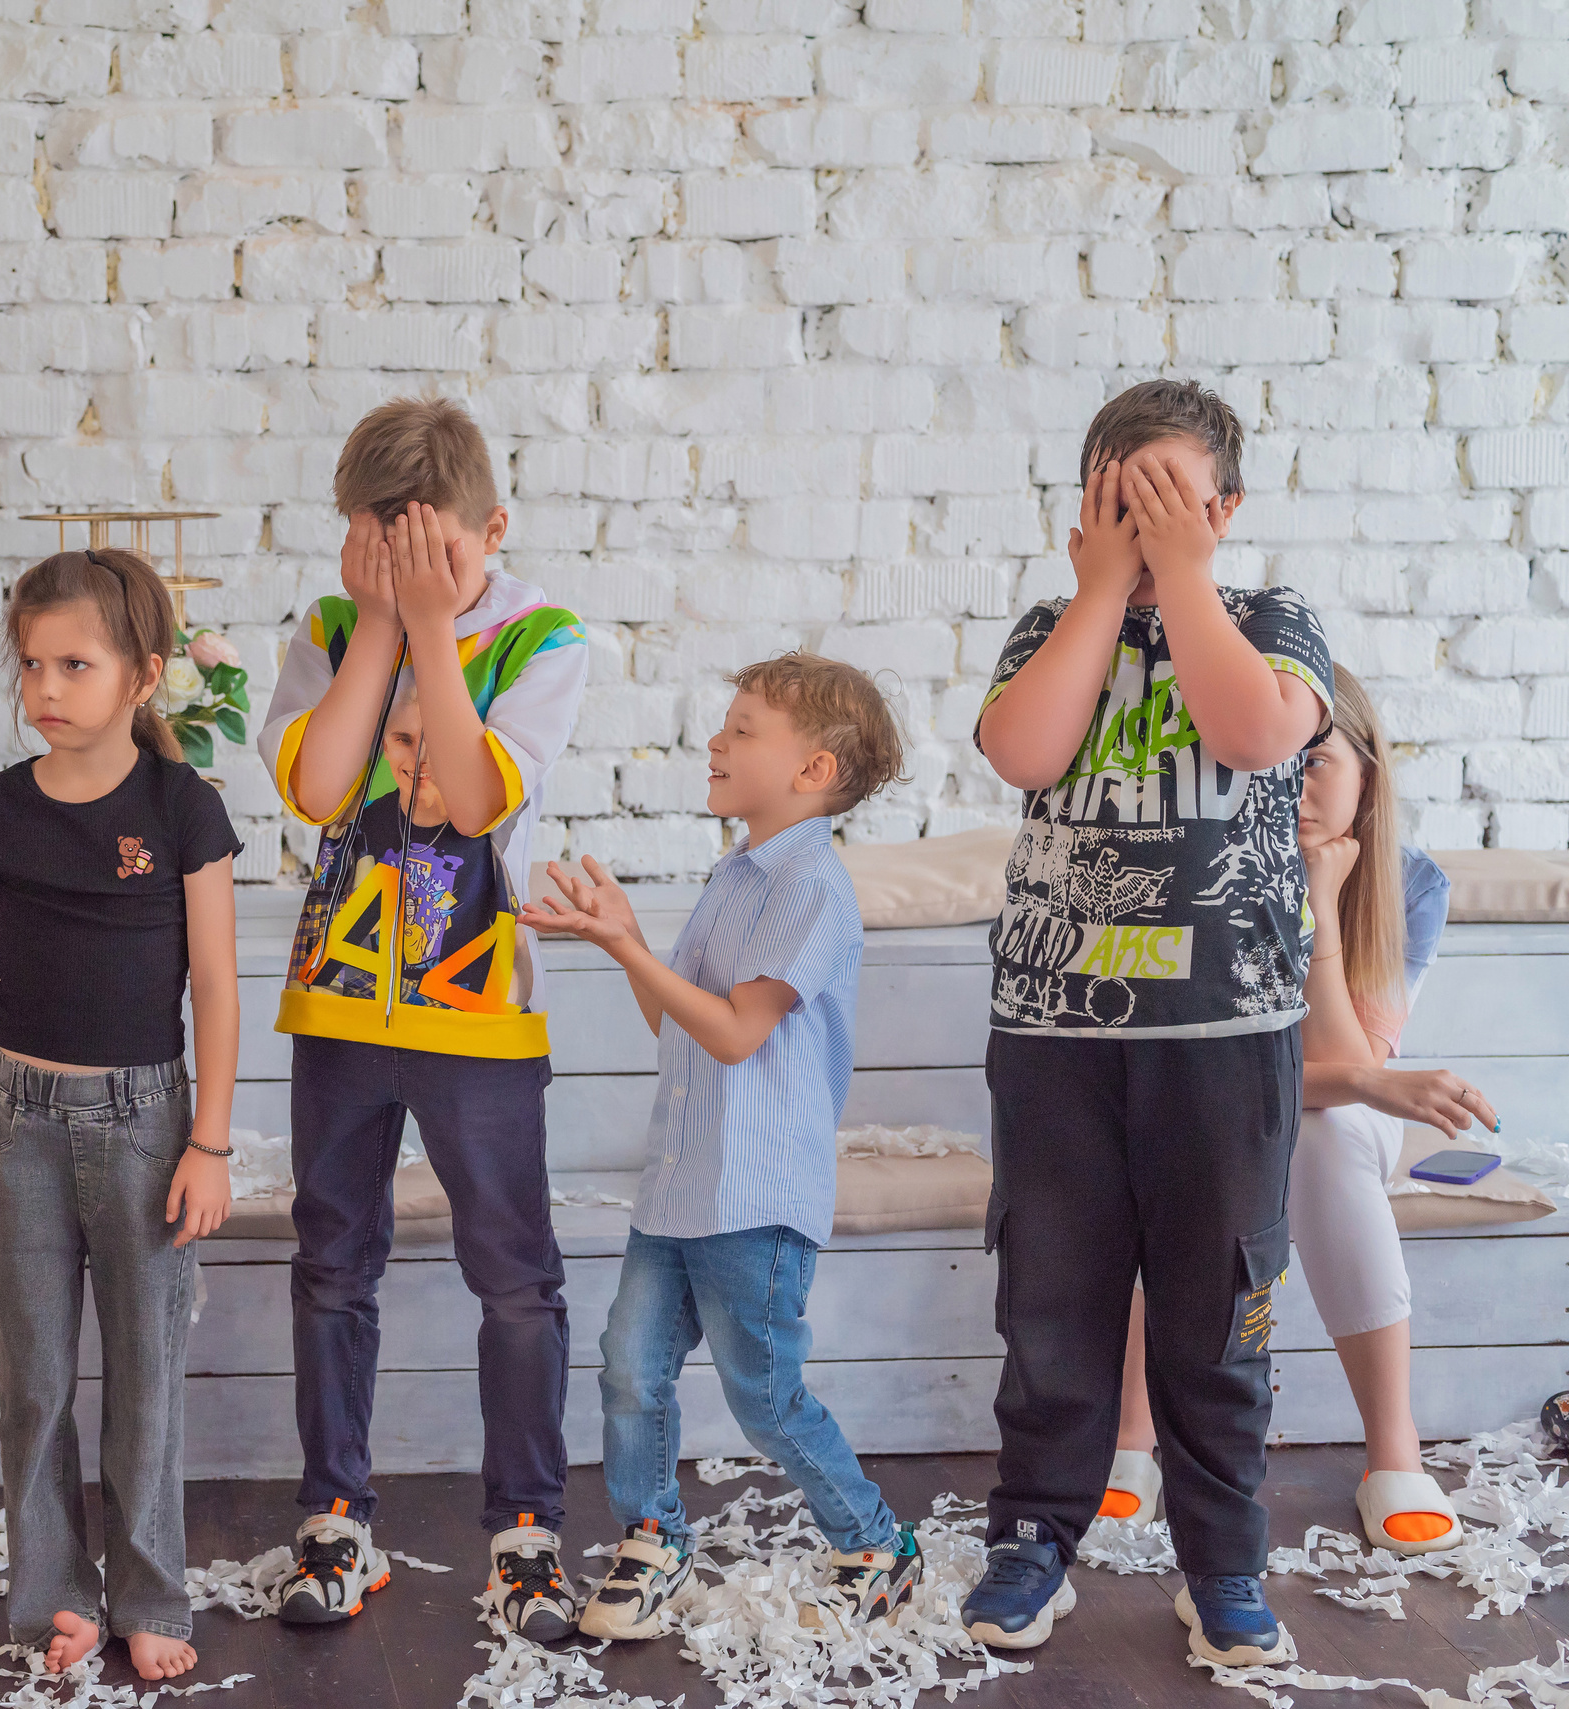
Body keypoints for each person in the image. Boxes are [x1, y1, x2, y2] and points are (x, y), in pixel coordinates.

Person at [962, 379, 1333, 1668]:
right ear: (1081, 510)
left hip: (1222, 1036)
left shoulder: (1271, 623)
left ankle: (1223, 1562)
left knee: (1217, 1310)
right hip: (1055, 1037)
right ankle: (1032, 1537)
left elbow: (1253, 729)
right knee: (1050, 1298)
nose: (1147, 521)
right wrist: (1096, 591)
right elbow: (1022, 751)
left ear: (1224, 510)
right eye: (1124, 500)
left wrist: (1178, 575)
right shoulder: (1044, 630)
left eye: (1174, 499)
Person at [256, 395, 591, 1641]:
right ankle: (336, 1513)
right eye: (371, 546)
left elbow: (465, 799)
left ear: (488, 528)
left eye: (424, 547)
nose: (393, 569)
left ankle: (525, 1532)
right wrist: (380, 629)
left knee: (513, 1274)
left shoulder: (544, 636)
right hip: (340, 1005)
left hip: (482, 1013)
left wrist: (437, 635)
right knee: (333, 1264)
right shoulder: (335, 627)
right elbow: (318, 784)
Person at [523, 654, 920, 1643]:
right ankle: (654, 1532)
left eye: (742, 729)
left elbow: (740, 1031)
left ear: (813, 770)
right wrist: (625, 934)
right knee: (629, 1366)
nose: (715, 742)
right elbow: (680, 1023)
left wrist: (627, 946)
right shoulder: (734, 874)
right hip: (683, 1184)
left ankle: (876, 1545)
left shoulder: (812, 887)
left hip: (755, 1192)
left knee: (764, 1393)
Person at [1096, 666, 1496, 1557]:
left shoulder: (1409, 882)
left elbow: (1347, 1069)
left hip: (1336, 1111)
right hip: (1213, 1101)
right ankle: (1131, 1434)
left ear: (1369, 772)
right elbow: (1204, 1068)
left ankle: (1393, 1449)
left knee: (1325, 1131)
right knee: (1160, 1140)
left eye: (1317, 764)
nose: (1293, 788)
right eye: (1275, 766)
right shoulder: (1205, 863)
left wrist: (1320, 907)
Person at [0, 548, 241, 1681]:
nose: (47, 687)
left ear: (144, 674)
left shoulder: (180, 805)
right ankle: (55, 1594)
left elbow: (213, 985)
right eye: (32, 664)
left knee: (146, 1374)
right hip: (16, 1117)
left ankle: (152, 1589)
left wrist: (208, 1140)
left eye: (76, 662)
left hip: (147, 1122)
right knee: (36, 1380)